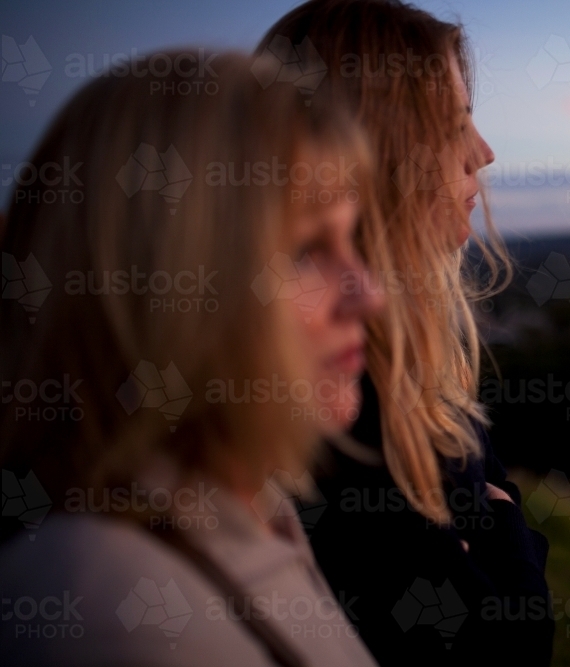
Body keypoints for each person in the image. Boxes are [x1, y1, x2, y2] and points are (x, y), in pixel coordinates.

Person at [0, 52, 383, 666]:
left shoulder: (252, 505)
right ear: (154, 286)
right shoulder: (110, 605)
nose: (369, 293)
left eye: (351, 240)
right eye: (306, 249)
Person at [259, 2, 554, 665]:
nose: (483, 152)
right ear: (378, 153)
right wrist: (509, 530)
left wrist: (497, 534)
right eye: (453, 127)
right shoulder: (346, 399)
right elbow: (505, 650)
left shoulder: (413, 353)